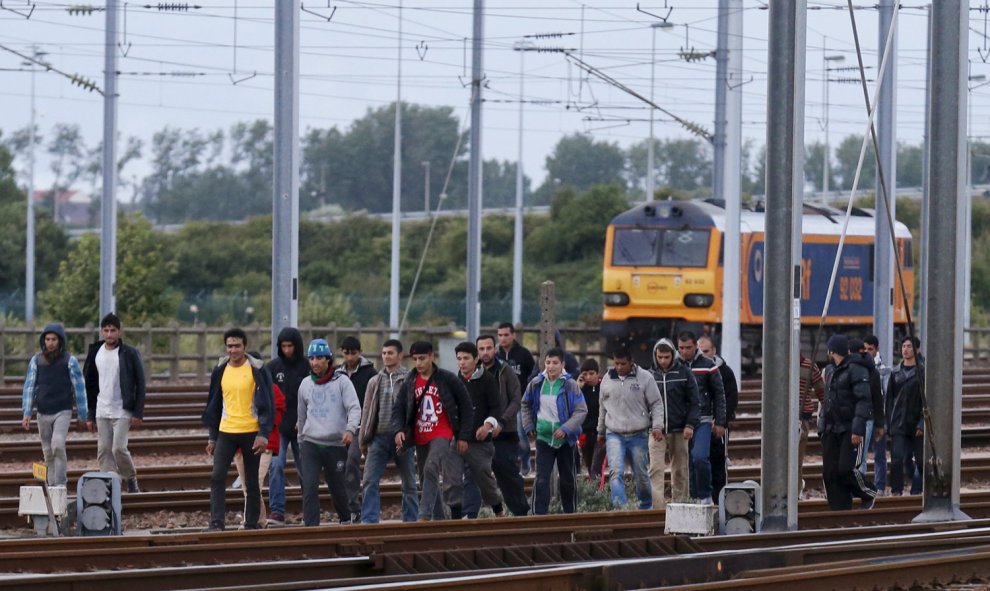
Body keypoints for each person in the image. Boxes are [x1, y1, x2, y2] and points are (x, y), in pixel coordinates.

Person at [202, 328, 274, 531]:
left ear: (245, 347)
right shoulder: (220, 370)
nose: (233, 350)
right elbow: (214, 405)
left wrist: (263, 434)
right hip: (226, 431)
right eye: (229, 346)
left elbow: (267, 404)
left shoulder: (257, 369)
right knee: (217, 476)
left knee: (251, 481)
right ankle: (217, 522)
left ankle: (251, 523)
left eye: (237, 346)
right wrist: (212, 437)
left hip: (250, 431)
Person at [392, 341, 474, 521]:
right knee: (425, 477)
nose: (418, 363)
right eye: (415, 360)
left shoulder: (447, 378)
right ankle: (438, 519)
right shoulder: (410, 381)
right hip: (421, 435)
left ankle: (424, 515)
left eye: (422, 358)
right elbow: (398, 408)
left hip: (442, 433)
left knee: (431, 468)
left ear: (431, 356)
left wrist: (463, 436)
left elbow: (466, 407)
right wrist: (398, 430)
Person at [298, 338, 361, 525]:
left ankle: (345, 519)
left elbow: (354, 408)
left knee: (337, 488)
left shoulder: (342, 382)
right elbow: (301, 416)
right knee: (309, 487)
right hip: (310, 443)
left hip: (335, 443)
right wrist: (300, 440)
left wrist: (350, 429)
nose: (315, 362)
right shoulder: (305, 384)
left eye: (319, 358)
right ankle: (311, 528)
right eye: (312, 358)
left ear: (328, 359)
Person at [82, 313, 146, 494]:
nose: (109, 334)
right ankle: (108, 486)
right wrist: (90, 413)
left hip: (122, 409)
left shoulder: (129, 353)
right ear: (101, 332)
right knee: (103, 450)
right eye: (106, 330)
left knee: (118, 448)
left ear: (119, 332)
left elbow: (140, 383)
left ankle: (131, 478)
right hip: (101, 409)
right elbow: (90, 384)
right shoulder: (95, 352)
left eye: (113, 330)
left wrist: (138, 412)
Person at [359, 339, 419, 524]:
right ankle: (369, 520)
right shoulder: (375, 381)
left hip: (403, 438)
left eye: (390, 353)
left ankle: (411, 520)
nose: (386, 357)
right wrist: (363, 439)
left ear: (400, 355)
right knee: (369, 480)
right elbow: (367, 411)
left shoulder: (410, 378)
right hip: (379, 437)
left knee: (409, 482)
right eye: (384, 353)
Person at [21, 323, 88, 488]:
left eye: (54, 339)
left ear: (60, 341)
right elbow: (30, 387)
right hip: (43, 412)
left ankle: (60, 483)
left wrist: (82, 414)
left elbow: (79, 388)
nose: (50, 342)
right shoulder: (37, 360)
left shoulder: (69, 361)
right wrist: (27, 412)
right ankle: (51, 484)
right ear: (44, 341)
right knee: (47, 450)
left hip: (62, 410)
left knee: (57, 444)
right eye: (48, 339)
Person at [522, 347, 587, 515]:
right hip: (543, 438)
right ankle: (539, 514)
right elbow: (525, 404)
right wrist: (529, 426)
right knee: (542, 478)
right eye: (548, 362)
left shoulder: (570, 385)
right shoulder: (537, 383)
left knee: (567, 479)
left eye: (555, 363)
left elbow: (581, 410)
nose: (551, 366)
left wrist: (566, 429)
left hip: (566, 440)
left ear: (562, 364)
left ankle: (570, 513)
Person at [597, 346, 664, 510]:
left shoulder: (645, 378)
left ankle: (645, 506)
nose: (619, 367)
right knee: (615, 472)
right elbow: (602, 407)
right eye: (616, 363)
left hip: (638, 434)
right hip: (614, 433)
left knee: (640, 474)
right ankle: (621, 509)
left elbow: (656, 403)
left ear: (631, 362)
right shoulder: (607, 379)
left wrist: (657, 426)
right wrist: (600, 431)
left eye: (623, 364)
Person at [446, 342, 505, 519]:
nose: (462, 363)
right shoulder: (454, 382)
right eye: (459, 359)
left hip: (479, 441)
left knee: (484, 478)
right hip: (457, 440)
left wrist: (487, 425)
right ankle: (457, 518)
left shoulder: (487, 380)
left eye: (466, 358)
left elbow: (496, 407)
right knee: (452, 480)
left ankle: (498, 510)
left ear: (476, 359)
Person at [475, 334, 529, 516]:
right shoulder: (474, 371)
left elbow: (516, 399)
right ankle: (474, 515)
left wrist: (502, 421)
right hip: (480, 435)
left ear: (495, 349)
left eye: (488, 348)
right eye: (481, 349)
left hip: (505, 432)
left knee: (508, 476)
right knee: (477, 476)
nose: (485, 352)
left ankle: (521, 513)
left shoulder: (506, 371)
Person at [819, 334, 873, 511]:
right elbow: (827, 401)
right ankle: (839, 510)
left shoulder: (857, 370)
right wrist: (822, 427)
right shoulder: (830, 370)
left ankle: (869, 492)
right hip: (831, 428)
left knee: (845, 469)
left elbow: (863, 401)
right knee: (829, 472)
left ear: (832, 351)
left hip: (849, 427)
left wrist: (857, 429)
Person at [266, 327, 309, 526]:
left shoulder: (308, 366)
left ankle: (310, 510)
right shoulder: (273, 367)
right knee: (275, 466)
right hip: (279, 427)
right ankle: (277, 511)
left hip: (304, 426)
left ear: (297, 346)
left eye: (290, 346)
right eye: (283, 346)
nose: (287, 350)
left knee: (306, 470)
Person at [677, 331, 726, 505]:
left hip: (703, 419)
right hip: (680, 422)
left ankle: (705, 495)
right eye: (681, 348)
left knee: (699, 457)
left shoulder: (708, 365)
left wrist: (720, 421)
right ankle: (692, 496)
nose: (684, 352)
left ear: (695, 346)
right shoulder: (674, 366)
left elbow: (719, 394)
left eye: (688, 348)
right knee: (686, 463)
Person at [650, 338, 699, 508]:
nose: (663, 361)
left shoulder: (684, 373)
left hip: (680, 429)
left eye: (666, 357)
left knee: (680, 470)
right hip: (656, 430)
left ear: (673, 355)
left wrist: (690, 424)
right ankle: (657, 508)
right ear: (655, 356)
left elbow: (694, 402)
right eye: (660, 357)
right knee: (655, 469)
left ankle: (681, 505)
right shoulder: (650, 375)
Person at [234, 362, 284, 528]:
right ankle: (259, 521)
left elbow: (276, 415)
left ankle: (251, 520)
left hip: (265, 444)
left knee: (254, 482)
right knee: (248, 486)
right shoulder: (237, 389)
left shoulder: (272, 390)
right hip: (240, 445)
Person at [335, 336, 376, 522]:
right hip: (339, 425)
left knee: (352, 461)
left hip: (360, 425)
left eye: (353, 353)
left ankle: (354, 506)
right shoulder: (337, 373)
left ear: (359, 352)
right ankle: (346, 506)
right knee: (339, 466)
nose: (350, 357)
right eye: (346, 353)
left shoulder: (370, 373)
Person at [696, 335, 738, 501]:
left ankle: (719, 500)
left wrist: (722, 420)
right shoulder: (693, 370)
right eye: (700, 351)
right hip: (698, 425)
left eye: (706, 351)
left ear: (714, 351)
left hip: (718, 426)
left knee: (718, 461)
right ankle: (700, 498)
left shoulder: (725, 372)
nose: (703, 354)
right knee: (697, 461)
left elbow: (731, 398)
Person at [847, 337, 885, 506]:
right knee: (860, 459)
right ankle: (859, 492)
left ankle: (858, 492)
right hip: (867, 419)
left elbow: (876, 397)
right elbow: (878, 398)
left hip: (857, 419)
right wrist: (879, 424)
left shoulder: (849, 369)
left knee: (854, 458)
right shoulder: (872, 370)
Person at [886, 336, 925, 496]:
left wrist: (922, 424)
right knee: (897, 459)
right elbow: (889, 400)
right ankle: (896, 491)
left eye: (909, 346)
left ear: (916, 350)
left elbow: (927, 401)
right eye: (903, 346)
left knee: (921, 461)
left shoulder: (923, 372)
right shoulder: (895, 373)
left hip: (916, 423)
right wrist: (888, 423)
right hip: (899, 423)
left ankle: (917, 489)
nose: (906, 350)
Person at [497, 322, 536, 475]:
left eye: (506, 335)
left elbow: (532, 376)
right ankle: (509, 466)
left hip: (520, 402)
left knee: (521, 436)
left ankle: (525, 461)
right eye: (500, 335)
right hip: (500, 403)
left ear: (513, 335)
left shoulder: (524, 354)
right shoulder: (495, 355)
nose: (503, 338)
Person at [862, 334, 891, 494]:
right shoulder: (860, 368)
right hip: (865, 418)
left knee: (879, 454)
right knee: (862, 456)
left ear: (877, 350)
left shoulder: (884, 370)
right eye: (865, 349)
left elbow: (886, 397)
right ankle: (863, 486)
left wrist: (883, 420)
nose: (867, 352)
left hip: (878, 418)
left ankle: (879, 486)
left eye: (870, 349)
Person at [797, 353, 825, 491]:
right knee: (795, 459)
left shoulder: (809, 366)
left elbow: (822, 392)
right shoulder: (810, 366)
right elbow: (822, 392)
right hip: (799, 417)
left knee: (796, 459)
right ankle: (794, 489)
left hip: (801, 417)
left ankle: (795, 490)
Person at [577, 358, 606, 482]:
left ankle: (598, 493)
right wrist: (578, 388)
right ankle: (596, 493)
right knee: (589, 465)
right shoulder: (581, 390)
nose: (588, 377)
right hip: (585, 433)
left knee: (596, 466)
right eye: (585, 374)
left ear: (597, 373)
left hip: (600, 433)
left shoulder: (604, 387)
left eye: (591, 373)